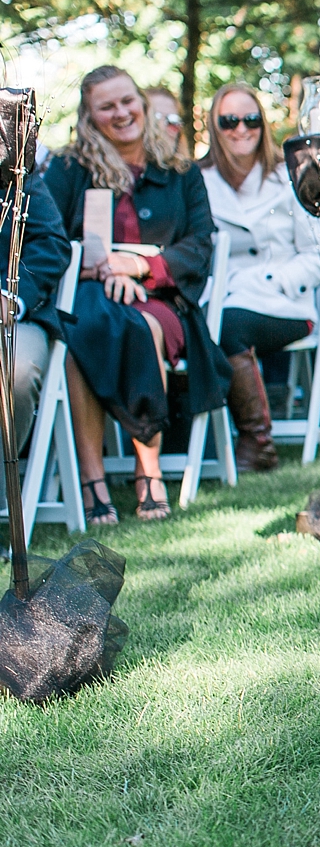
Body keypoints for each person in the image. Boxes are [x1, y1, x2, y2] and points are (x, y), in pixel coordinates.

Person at [46, 65, 230, 523]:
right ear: (89, 116)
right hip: (89, 294)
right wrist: (99, 267)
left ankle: (146, 470)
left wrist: (142, 267)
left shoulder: (181, 171)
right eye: (106, 106)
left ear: (142, 104)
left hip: (162, 300)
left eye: (127, 101)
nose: (121, 112)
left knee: (139, 325)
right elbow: (45, 238)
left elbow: (199, 244)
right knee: (75, 339)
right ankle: (93, 478)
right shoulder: (70, 169)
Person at [199, 82, 320, 471]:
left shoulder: (290, 178)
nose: (241, 129)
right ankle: (197, 440)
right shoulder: (198, 181)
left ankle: (257, 440)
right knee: (209, 325)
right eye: (229, 120)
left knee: (227, 326)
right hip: (219, 297)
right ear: (214, 127)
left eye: (250, 119)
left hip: (283, 301)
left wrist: (273, 281)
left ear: (263, 124)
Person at [0, 174, 73, 442]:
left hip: (13, 319)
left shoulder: (15, 172)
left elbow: (52, 243)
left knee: (15, 371)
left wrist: (9, 294)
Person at [143, 87, 191, 167]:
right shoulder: (123, 172)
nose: (162, 128)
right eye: (154, 120)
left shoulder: (189, 175)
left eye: (173, 121)